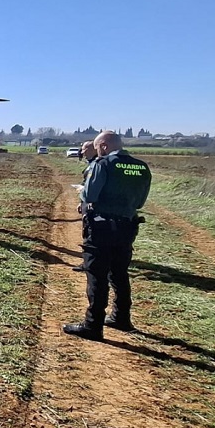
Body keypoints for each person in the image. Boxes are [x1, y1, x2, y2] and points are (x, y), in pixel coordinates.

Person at [63, 131, 152, 340]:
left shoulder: (102, 164)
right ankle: (121, 317)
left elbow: (90, 195)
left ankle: (92, 325)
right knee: (119, 273)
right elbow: (140, 202)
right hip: (127, 226)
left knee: (97, 274)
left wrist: (82, 192)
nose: (97, 151)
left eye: (97, 147)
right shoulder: (141, 167)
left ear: (103, 146)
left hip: (101, 227)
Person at [71, 140, 98, 271]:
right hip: (88, 202)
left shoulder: (97, 164)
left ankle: (90, 264)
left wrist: (83, 191)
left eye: (84, 149)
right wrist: (82, 202)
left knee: (90, 234)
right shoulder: (92, 164)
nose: (81, 152)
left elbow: (93, 188)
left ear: (93, 149)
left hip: (94, 206)